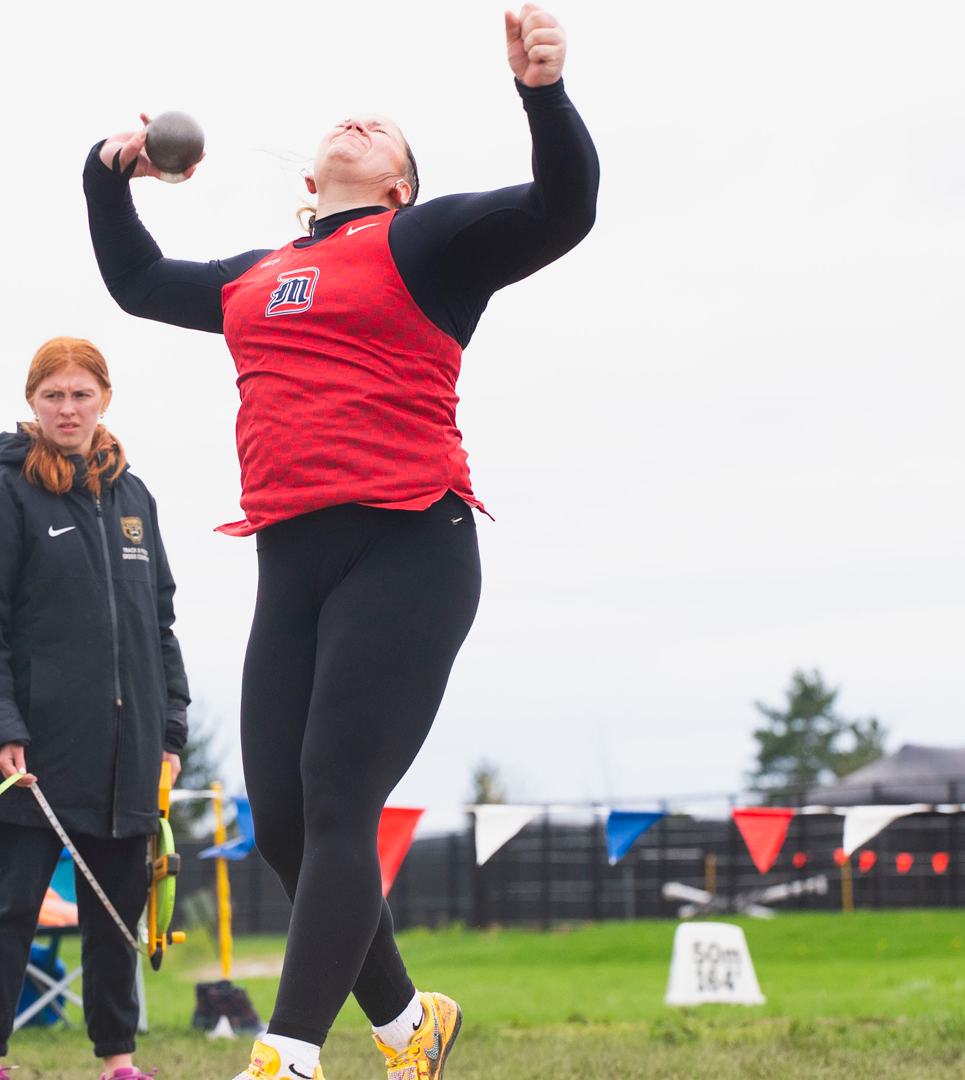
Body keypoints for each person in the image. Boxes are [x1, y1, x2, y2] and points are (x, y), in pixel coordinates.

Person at [80, 7, 596, 1080]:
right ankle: (412, 1029)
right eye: (347, 121)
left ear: (400, 183)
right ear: (310, 180)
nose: (358, 121)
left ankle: (290, 1054)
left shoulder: (428, 241)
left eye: (385, 130)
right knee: (284, 821)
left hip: (411, 545)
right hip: (293, 561)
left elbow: (565, 207)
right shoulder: (253, 276)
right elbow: (135, 283)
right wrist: (105, 177)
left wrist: (542, 95)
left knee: (338, 795)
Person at [0, 337, 190, 1080]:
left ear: (105, 399)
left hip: (127, 755)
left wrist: (170, 729)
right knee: (8, 911)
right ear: (32, 403)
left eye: (82, 393)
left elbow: (160, 624)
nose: (68, 408)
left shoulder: (134, 498)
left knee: (114, 921)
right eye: (53, 394)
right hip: (30, 756)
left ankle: (118, 1059)